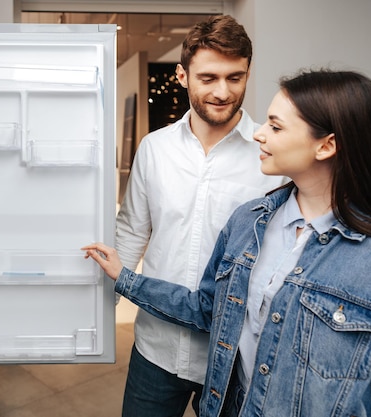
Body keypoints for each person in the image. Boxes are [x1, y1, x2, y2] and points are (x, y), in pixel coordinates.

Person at [84, 69, 371, 416]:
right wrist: (125, 278)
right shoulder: (248, 222)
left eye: (275, 127)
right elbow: (207, 307)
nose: (259, 134)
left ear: (327, 145)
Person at [114, 14, 286, 416]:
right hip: (155, 349)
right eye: (208, 78)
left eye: (235, 77)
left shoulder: (270, 155)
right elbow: (130, 235)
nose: (223, 92)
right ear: (182, 75)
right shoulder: (154, 149)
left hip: (234, 358)